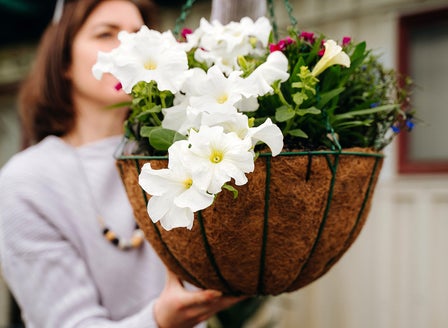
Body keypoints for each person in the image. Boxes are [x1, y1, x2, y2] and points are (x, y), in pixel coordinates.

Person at [0, 0, 244, 327]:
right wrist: (159, 320)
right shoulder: (25, 182)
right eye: (106, 34)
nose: (127, 48)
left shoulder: (181, 151)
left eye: (136, 35)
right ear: (64, 62)